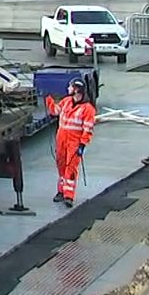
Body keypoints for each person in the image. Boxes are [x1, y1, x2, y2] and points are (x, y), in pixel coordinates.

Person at [45, 78, 97, 208]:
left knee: (71, 168)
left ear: (76, 89)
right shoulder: (66, 101)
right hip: (61, 139)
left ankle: (69, 196)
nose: (68, 88)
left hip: (75, 141)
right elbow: (55, 111)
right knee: (61, 165)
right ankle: (61, 192)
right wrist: (48, 99)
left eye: (70, 86)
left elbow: (88, 129)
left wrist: (82, 144)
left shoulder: (88, 109)